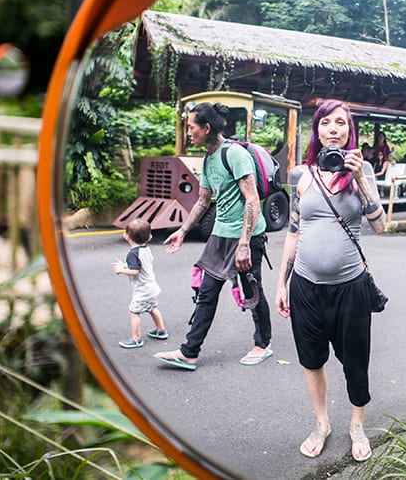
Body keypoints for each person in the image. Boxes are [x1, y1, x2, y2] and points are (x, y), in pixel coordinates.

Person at [275, 98, 386, 463]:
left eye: (340, 122)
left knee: (355, 361)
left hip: (350, 286)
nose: (333, 129)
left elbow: (381, 225)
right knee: (311, 360)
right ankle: (321, 424)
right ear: (317, 130)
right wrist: (280, 283)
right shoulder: (300, 174)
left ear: (349, 130)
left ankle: (357, 425)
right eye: (325, 123)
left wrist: (358, 179)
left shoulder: (362, 169)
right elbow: (294, 229)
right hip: (305, 285)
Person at [156, 102, 273, 370]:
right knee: (207, 293)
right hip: (220, 237)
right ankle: (190, 351)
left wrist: (244, 244)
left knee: (251, 292)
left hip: (246, 237)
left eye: (191, 127)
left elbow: (252, 200)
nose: (189, 133)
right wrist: (183, 231)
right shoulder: (209, 160)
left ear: (206, 128)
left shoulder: (234, 155)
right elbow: (203, 200)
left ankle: (263, 343)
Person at [111, 218, 167, 349]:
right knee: (152, 308)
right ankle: (161, 330)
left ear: (126, 236)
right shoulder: (145, 249)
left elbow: (135, 271)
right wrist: (124, 265)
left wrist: (121, 270)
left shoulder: (132, 254)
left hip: (142, 290)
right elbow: (141, 266)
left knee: (133, 312)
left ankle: (136, 339)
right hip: (151, 287)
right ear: (149, 238)